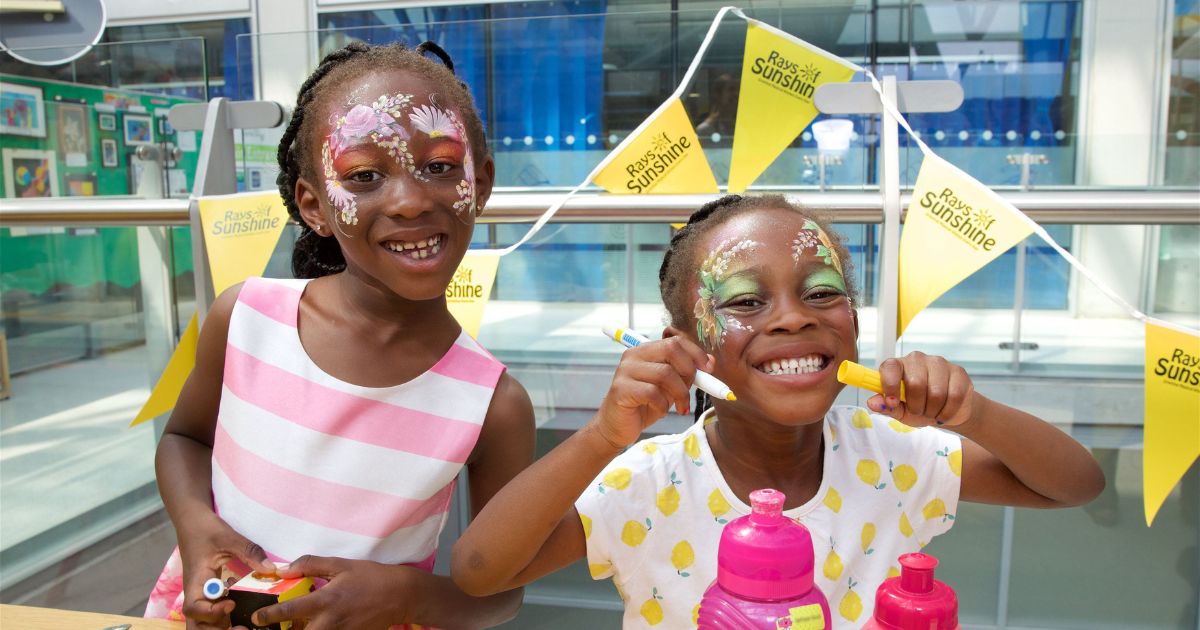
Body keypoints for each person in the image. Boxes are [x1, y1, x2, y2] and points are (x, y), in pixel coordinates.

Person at [450, 194, 1105, 627]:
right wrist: (600, 437)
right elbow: (480, 573)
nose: (794, 318)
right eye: (745, 302)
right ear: (687, 349)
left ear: (853, 321)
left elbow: (1076, 485)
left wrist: (972, 411)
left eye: (822, 292)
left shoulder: (896, 455)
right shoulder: (646, 483)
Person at [146, 41, 535, 629]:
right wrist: (197, 527)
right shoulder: (245, 318)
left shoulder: (494, 405)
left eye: (439, 165)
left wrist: (404, 595)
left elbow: (501, 593)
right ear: (314, 205)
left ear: (479, 183)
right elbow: (183, 440)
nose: (408, 201)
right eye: (364, 176)